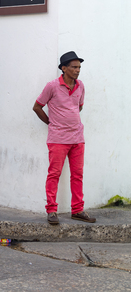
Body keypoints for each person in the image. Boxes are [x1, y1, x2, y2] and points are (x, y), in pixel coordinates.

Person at [33, 51, 96, 225]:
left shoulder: (80, 86)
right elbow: (37, 107)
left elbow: (79, 107)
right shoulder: (52, 86)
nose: (78, 70)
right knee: (54, 174)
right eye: (74, 67)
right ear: (64, 68)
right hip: (58, 139)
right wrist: (51, 122)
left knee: (78, 175)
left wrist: (70, 120)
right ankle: (52, 210)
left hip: (77, 138)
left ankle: (77, 210)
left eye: (79, 67)